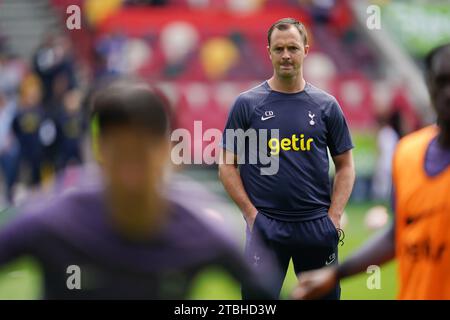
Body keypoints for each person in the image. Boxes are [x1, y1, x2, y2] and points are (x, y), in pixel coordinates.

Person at [0, 80, 274, 299]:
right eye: (119, 153)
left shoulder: (199, 233)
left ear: (170, 154)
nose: (130, 171)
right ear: (100, 154)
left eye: (141, 153)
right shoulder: (54, 223)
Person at [293, 43, 450, 300]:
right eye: (442, 81)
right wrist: (334, 274)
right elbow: (397, 234)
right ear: (428, 85)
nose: (448, 92)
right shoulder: (408, 152)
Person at [218, 17, 355, 299]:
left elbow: (345, 165)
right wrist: (251, 215)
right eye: (278, 49)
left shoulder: (326, 105)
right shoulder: (247, 104)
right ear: (268, 52)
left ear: (306, 49)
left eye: (292, 48)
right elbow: (226, 165)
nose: (286, 56)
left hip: (317, 226)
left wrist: (335, 217)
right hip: (266, 227)